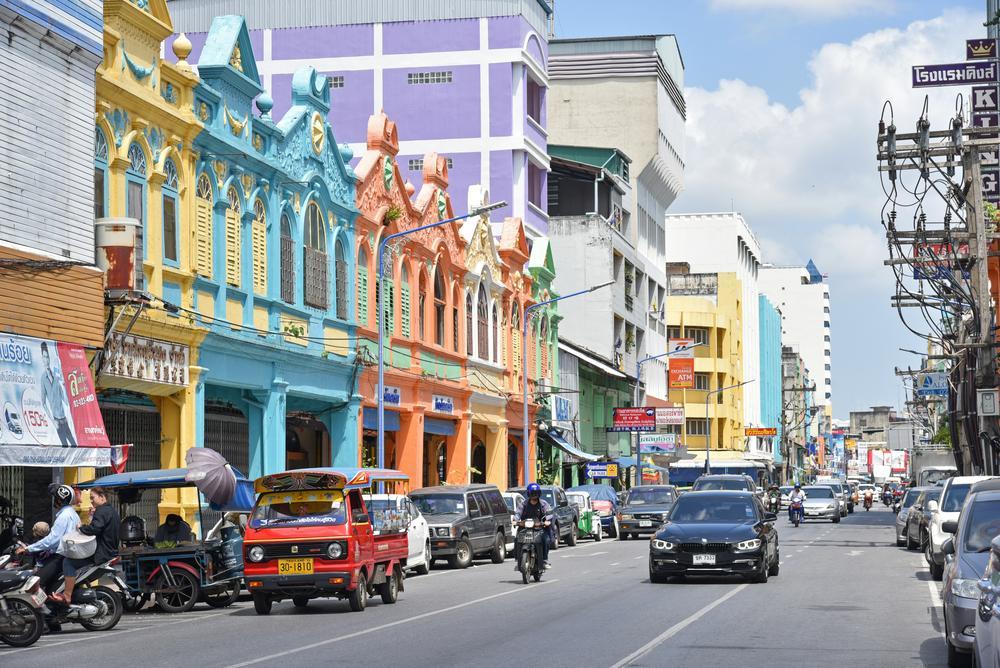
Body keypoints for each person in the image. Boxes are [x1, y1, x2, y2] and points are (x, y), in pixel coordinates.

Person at [58, 487, 120, 605]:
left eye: (93, 498)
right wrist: (92, 517)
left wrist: (81, 528)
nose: (91, 501)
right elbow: (100, 528)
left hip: (101, 553)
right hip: (109, 551)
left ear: (102, 497)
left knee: (68, 562)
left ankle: (67, 595)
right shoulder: (112, 511)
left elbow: (95, 528)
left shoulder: (102, 511)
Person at [16, 484, 79, 595]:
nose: (53, 501)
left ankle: (42, 611)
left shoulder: (64, 516)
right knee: (49, 585)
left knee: (36, 581)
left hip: (60, 557)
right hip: (69, 556)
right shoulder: (73, 514)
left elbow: (52, 540)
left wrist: (28, 549)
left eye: (55, 498)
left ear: (60, 500)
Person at [38, 341, 75, 447]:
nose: (46, 359)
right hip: (57, 421)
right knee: (64, 446)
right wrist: (52, 420)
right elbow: (43, 403)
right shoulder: (43, 379)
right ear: (42, 359)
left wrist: (64, 385)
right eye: (44, 357)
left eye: (47, 357)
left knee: (74, 445)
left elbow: (65, 400)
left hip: (64, 418)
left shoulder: (57, 376)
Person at [514, 483, 553, 570]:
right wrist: (515, 520)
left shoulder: (543, 504)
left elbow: (549, 513)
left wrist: (547, 520)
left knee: (545, 540)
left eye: (536, 493)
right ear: (528, 493)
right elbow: (517, 513)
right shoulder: (523, 504)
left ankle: (544, 560)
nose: (534, 495)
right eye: (532, 493)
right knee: (517, 539)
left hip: (539, 528)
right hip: (525, 527)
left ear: (539, 493)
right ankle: (518, 560)